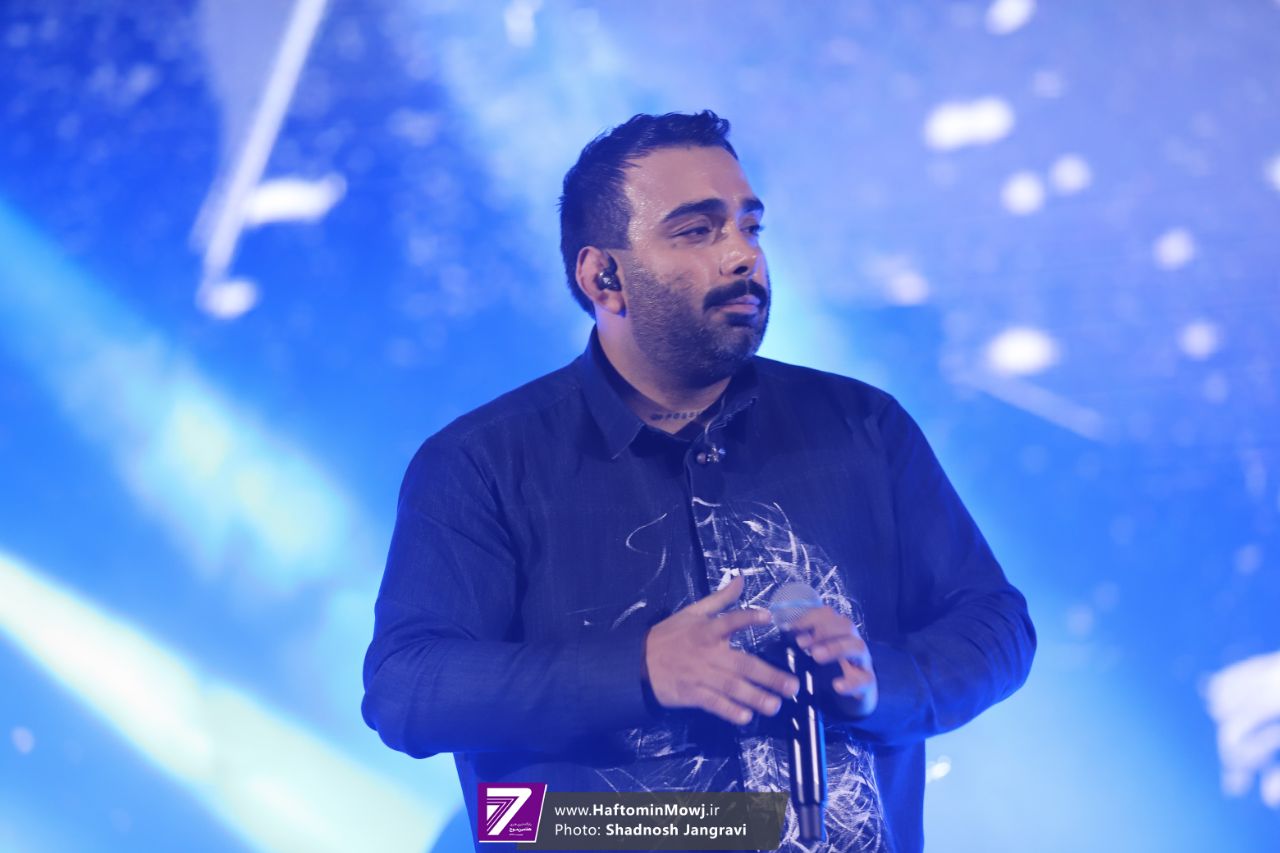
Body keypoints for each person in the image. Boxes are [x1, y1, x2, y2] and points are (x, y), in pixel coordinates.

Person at [362, 110, 1036, 853]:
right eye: (696, 231)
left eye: (750, 226)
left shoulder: (862, 427)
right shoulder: (483, 461)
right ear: (604, 276)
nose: (742, 255)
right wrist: (639, 669)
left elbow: (997, 625)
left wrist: (881, 681)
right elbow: (405, 690)